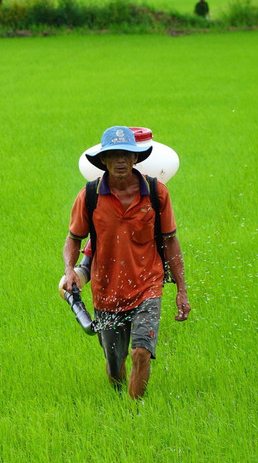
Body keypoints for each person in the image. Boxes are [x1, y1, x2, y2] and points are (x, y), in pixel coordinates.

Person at [60, 126, 191, 400]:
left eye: (126, 154)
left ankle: (134, 415)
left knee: (141, 352)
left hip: (148, 286)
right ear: (103, 160)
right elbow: (73, 239)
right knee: (115, 365)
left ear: (136, 158)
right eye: (113, 155)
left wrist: (181, 289)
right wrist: (70, 271)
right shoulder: (89, 196)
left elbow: (170, 241)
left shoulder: (156, 193)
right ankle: (118, 401)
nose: (120, 160)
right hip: (107, 291)